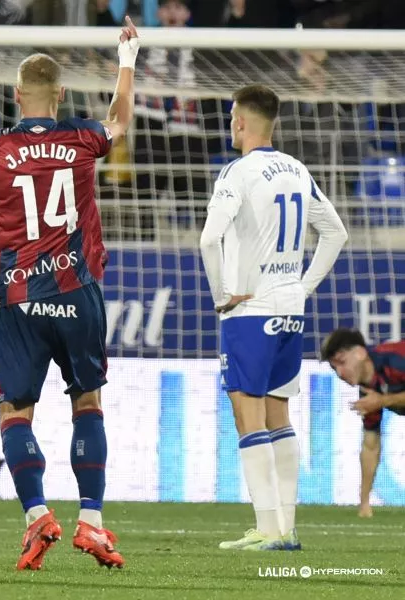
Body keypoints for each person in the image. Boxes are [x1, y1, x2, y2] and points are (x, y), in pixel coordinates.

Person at [0, 18, 140, 571]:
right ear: (59, 94)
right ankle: (91, 521)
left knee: (16, 410)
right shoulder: (82, 138)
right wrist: (127, 58)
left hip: (19, 301)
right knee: (87, 402)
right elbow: (120, 122)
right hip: (78, 292)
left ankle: (38, 516)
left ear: (17, 96)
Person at [199, 84, 348, 551]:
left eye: (230, 117)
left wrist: (221, 294)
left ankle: (267, 526)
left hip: (251, 308)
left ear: (240, 121)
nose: (229, 124)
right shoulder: (298, 170)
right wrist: (303, 286)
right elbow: (336, 233)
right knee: (279, 413)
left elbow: (208, 240)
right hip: (290, 305)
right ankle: (286, 528)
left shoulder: (237, 172)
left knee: (248, 413)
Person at [321, 328, 405, 518]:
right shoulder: (368, 390)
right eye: (334, 368)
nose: (340, 373)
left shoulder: (397, 359)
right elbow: (370, 446)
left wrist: (384, 401)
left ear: (360, 352)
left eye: (342, 362)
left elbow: (382, 400)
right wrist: (364, 502)